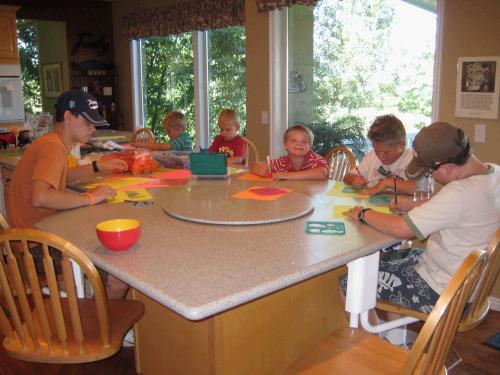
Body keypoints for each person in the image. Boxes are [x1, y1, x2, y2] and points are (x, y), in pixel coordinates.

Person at [340, 122, 500, 317]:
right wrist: (413, 206)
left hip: (444, 292)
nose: (430, 176)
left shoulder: (458, 193)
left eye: (431, 171)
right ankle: (396, 340)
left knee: (350, 281)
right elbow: (462, 208)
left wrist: (363, 213)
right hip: (469, 284)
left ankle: (376, 345)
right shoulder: (493, 172)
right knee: (384, 259)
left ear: (447, 168)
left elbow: (401, 229)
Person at [7, 89, 129, 299]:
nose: (92, 128)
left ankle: (72, 306)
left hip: (31, 237)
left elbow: (61, 177)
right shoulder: (53, 147)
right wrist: (89, 198)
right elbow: (41, 197)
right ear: (68, 117)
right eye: (88, 122)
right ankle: (99, 328)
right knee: (118, 279)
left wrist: (97, 166)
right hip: (37, 246)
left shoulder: (52, 142)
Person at [343, 114, 416, 195]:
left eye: (386, 152)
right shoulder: (372, 156)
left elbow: (423, 188)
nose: (380, 156)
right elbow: (347, 177)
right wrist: (354, 179)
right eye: (376, 150)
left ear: (401, 145)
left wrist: (387, 182)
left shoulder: (413, 160)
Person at [250, 123, 328, 180]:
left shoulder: (315, 160)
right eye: (294, 141)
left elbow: (322, 173)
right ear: (285, 145)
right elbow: (255, 165)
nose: (299, 144)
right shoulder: (282, 162)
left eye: (304, 141)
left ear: (309, 146)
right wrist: (257, 168)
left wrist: (289, 175)